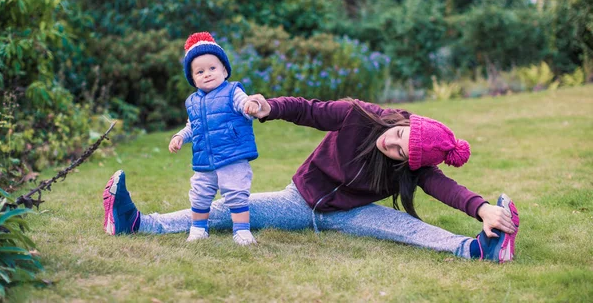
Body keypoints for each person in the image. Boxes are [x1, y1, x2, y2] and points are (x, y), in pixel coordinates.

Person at [103, 95, 520, 262]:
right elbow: (309, 110)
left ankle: (476, 249)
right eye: (396, 137)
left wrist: (481, 208)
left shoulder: (414, 165)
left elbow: (444, 186)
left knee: (407, 228)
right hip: (298, 201)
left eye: (398, 153)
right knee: (223, 211)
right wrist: (270, 108)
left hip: (349, 214)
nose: (390, 146)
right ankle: (140, 223)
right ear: (402, 122)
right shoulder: (359, 115)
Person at [106, 31, 261, 245]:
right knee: (199, 194)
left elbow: (244, 105)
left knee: (236, 193)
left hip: (232, 154)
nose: (207, 74)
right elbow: (192, 126)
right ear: (193, 79)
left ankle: (242, 230)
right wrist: (180, 136)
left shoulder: (233, 92)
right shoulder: (193, 102)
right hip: (204, 159)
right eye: (200, 71)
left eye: (212, 68)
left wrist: (250, 106)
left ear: (225, 70)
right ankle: (198, 228)